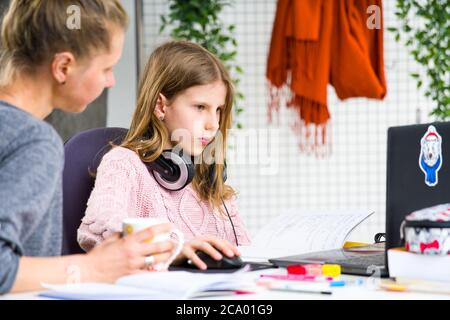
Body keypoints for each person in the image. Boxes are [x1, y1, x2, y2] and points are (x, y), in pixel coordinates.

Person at [0, 0, 177, 294]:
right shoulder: (33, 141)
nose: (111, 81)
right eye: (107, 67)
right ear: (64, 66)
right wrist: (96, 268)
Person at [78, 41, 251, 270]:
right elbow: (96, 229)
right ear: (161, 106)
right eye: (200, 107)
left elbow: (243, 250)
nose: (213, 124)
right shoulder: (124, 163)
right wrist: (173, 248)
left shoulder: (206, 176)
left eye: (217, 109)